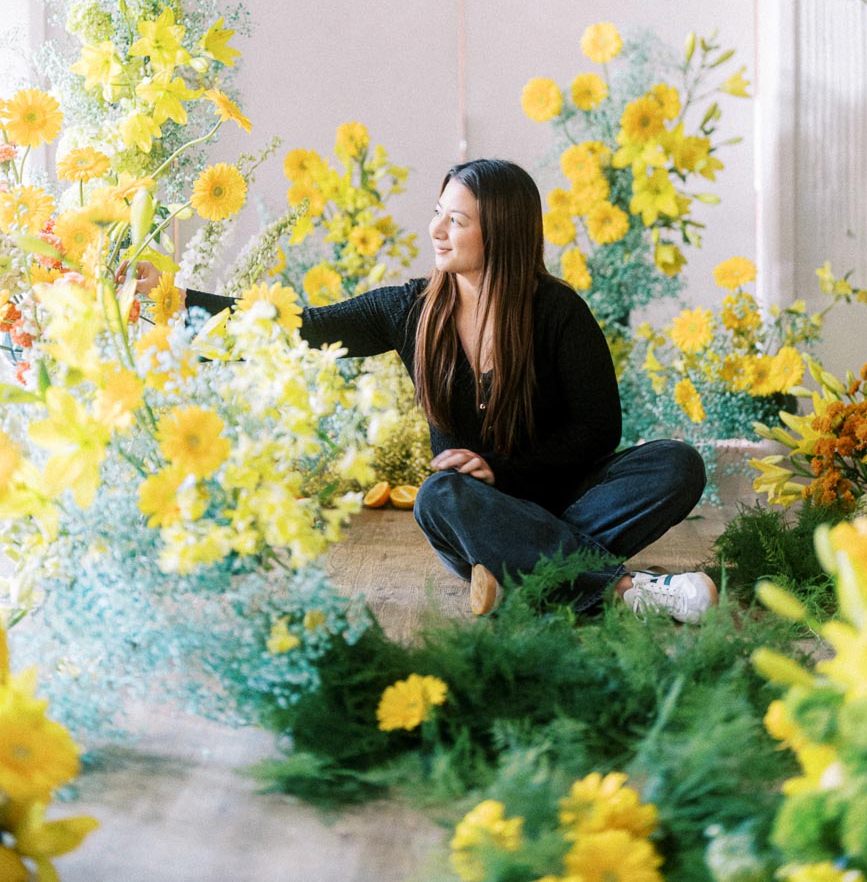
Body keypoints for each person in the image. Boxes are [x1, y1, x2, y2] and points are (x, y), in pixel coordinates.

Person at [138, 158, 716, 623]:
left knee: (677, 464)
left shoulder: (559, 311)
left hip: (564, 493)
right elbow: (300, 329)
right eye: (438, 213)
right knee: (439, 496)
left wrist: (502, 466)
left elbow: (598, 431)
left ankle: (514, 569)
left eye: (457, 221)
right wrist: (178, 305)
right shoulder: (409, 310)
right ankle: (622, 588)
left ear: (503, 233)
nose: (436, 230)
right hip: (471, 512)